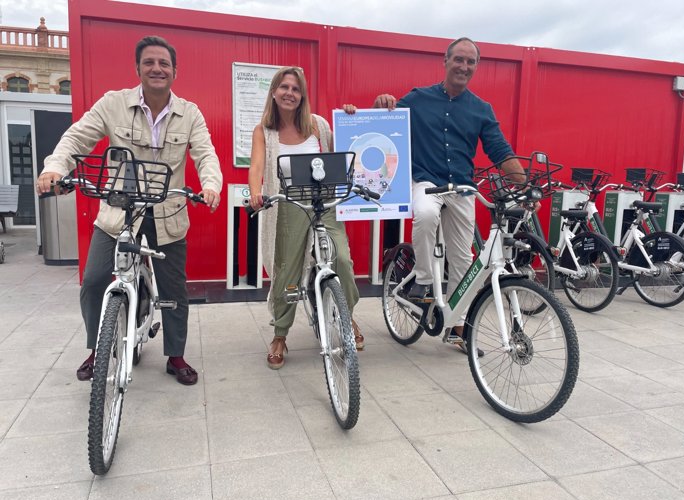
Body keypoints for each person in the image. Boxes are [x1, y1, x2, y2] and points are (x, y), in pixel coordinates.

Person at [36, 35, 222, 385]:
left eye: (164, 63)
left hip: (168, 213)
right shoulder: (113, 104)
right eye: (149, 62)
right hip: (119, 212)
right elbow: (76, 138)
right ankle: (98, 349)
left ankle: (176, 355)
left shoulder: (190, 112)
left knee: (174, 291)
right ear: (137, 68)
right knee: (93, 282)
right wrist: (54, 168)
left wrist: (211, 185)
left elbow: (205, 153)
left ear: (174, 71)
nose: (156, 68)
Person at [373, 37, 525, 356]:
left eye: (471, 62)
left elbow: (499, 150)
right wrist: (382, 104)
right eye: (459, 59)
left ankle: (456, 327)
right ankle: (425, 283)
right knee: (426, 213)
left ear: (476, 67)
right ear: (446, 61)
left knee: (464, 260)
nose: (464, 66)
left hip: (462, 188)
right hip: (426, 180)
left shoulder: (481, 109)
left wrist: (524, 185)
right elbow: (387, 125)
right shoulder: (418, 99)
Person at [248, 66, 363, 369]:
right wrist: (255, 193)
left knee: (341, 260)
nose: (290, 93)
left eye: (296, 89)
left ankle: (346, 316)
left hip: (325, 202)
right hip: (289, 206)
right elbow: (257, 166)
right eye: (284, 87)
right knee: (286, 272)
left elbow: (350, 148)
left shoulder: (319, 125)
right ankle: (280, 334)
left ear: (302, 96)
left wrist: (355, 117)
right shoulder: (264, 131)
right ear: (274, 92)